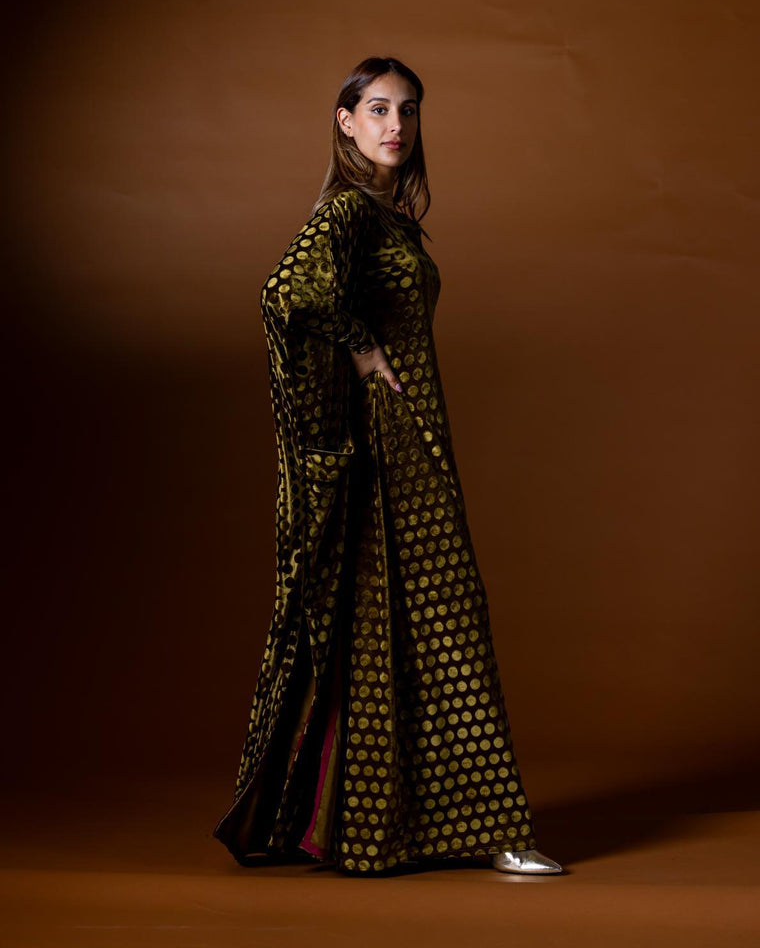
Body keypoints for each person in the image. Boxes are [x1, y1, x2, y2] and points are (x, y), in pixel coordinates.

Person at [212, 56, 564, 877]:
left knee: (392, 629)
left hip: (404, 448)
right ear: (345, 122)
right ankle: (496, 830)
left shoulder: (386, 217)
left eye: (407, 110)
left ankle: (366, 828)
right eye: (377, 109)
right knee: (446, 621)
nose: (396, 125)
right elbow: (285, 291)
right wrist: (365, 351)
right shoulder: (347, 214)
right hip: (380, 448)